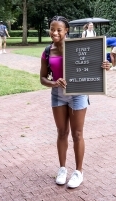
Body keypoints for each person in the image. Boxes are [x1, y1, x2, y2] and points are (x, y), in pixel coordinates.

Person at [40, 16, 110, 188]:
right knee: (62, 132)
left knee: (77, 134)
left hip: (78, 93)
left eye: (59, 30)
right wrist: (54, 83)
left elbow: (93, 62)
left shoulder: (79, 47)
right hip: (57, 94)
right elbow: (42, 78)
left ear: (66, 31)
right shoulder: (47, 51)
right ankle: (62, 169)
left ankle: (78, 172)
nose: (54, 32)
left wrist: (104, 65)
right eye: (52, 29)